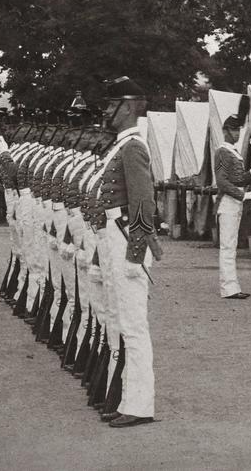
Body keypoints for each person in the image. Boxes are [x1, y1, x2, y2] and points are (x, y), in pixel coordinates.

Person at [96, 76, 162, 427]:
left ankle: (139, 405)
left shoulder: (133, 147)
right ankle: (126, 398)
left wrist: (136, 253)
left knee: (134, 325)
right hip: (113, 235)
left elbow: (143, 203)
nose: (107, 111)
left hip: (126, 239)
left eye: (112, 104)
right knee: (121, 321)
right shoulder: (120, 147)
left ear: (130, 107)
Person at [214, 111, 251, 300]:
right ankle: (228, 288)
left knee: (231, 246)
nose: (236, 134)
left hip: (235, 202)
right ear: (225, 131)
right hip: (227, 202)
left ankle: (232, 286)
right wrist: (242, 195)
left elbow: (238, 178)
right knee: (227, 247)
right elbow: (222, 182)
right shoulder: (222, 152)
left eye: (238, 130)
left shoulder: (234, 152)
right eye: (232, 130)